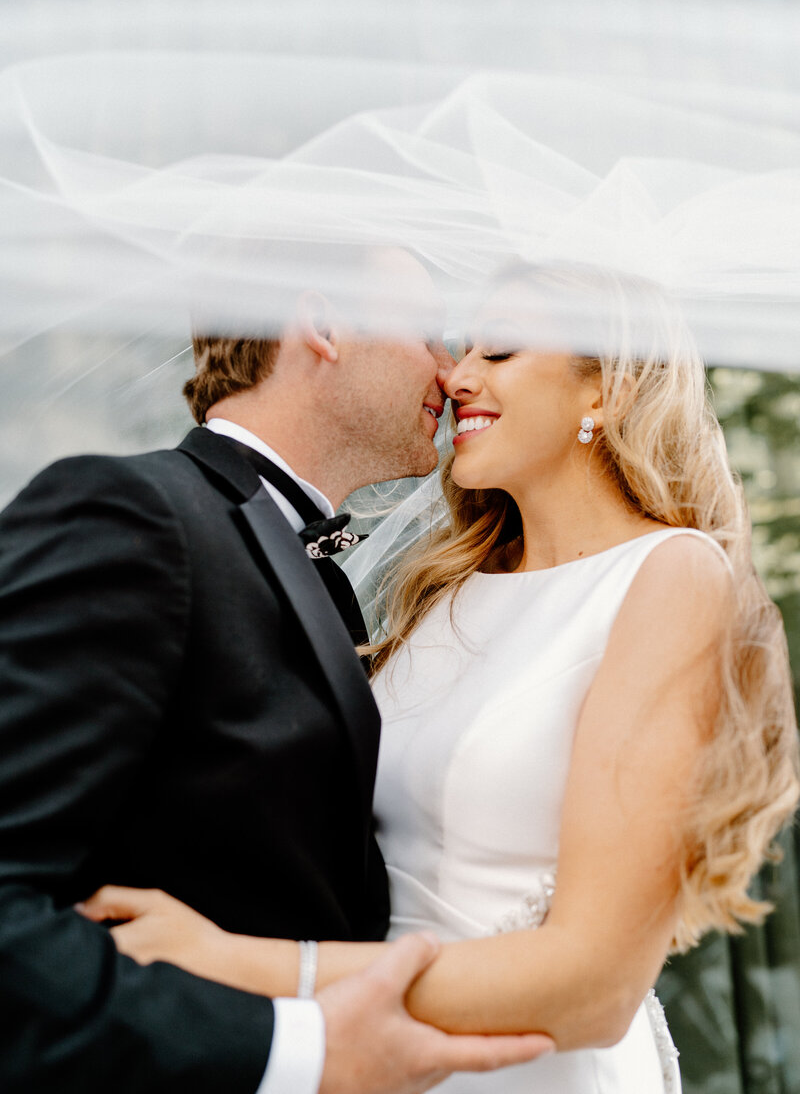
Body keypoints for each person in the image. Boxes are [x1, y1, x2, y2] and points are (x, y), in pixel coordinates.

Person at [81, 262, 800, 1093]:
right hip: (380, 1063)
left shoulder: (671, 577)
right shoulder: (439, 595)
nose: (455, 377)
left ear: (605, 391)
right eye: (461, 352)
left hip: (536, 1071)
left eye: (498, 354)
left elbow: (596, 986)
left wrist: (234, 964)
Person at [0, 255, 554, 1093]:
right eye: (427, 333)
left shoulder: (315, 572)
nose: (451, 370)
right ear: (323, 327)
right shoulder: (134, 515)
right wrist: (297, 1049)